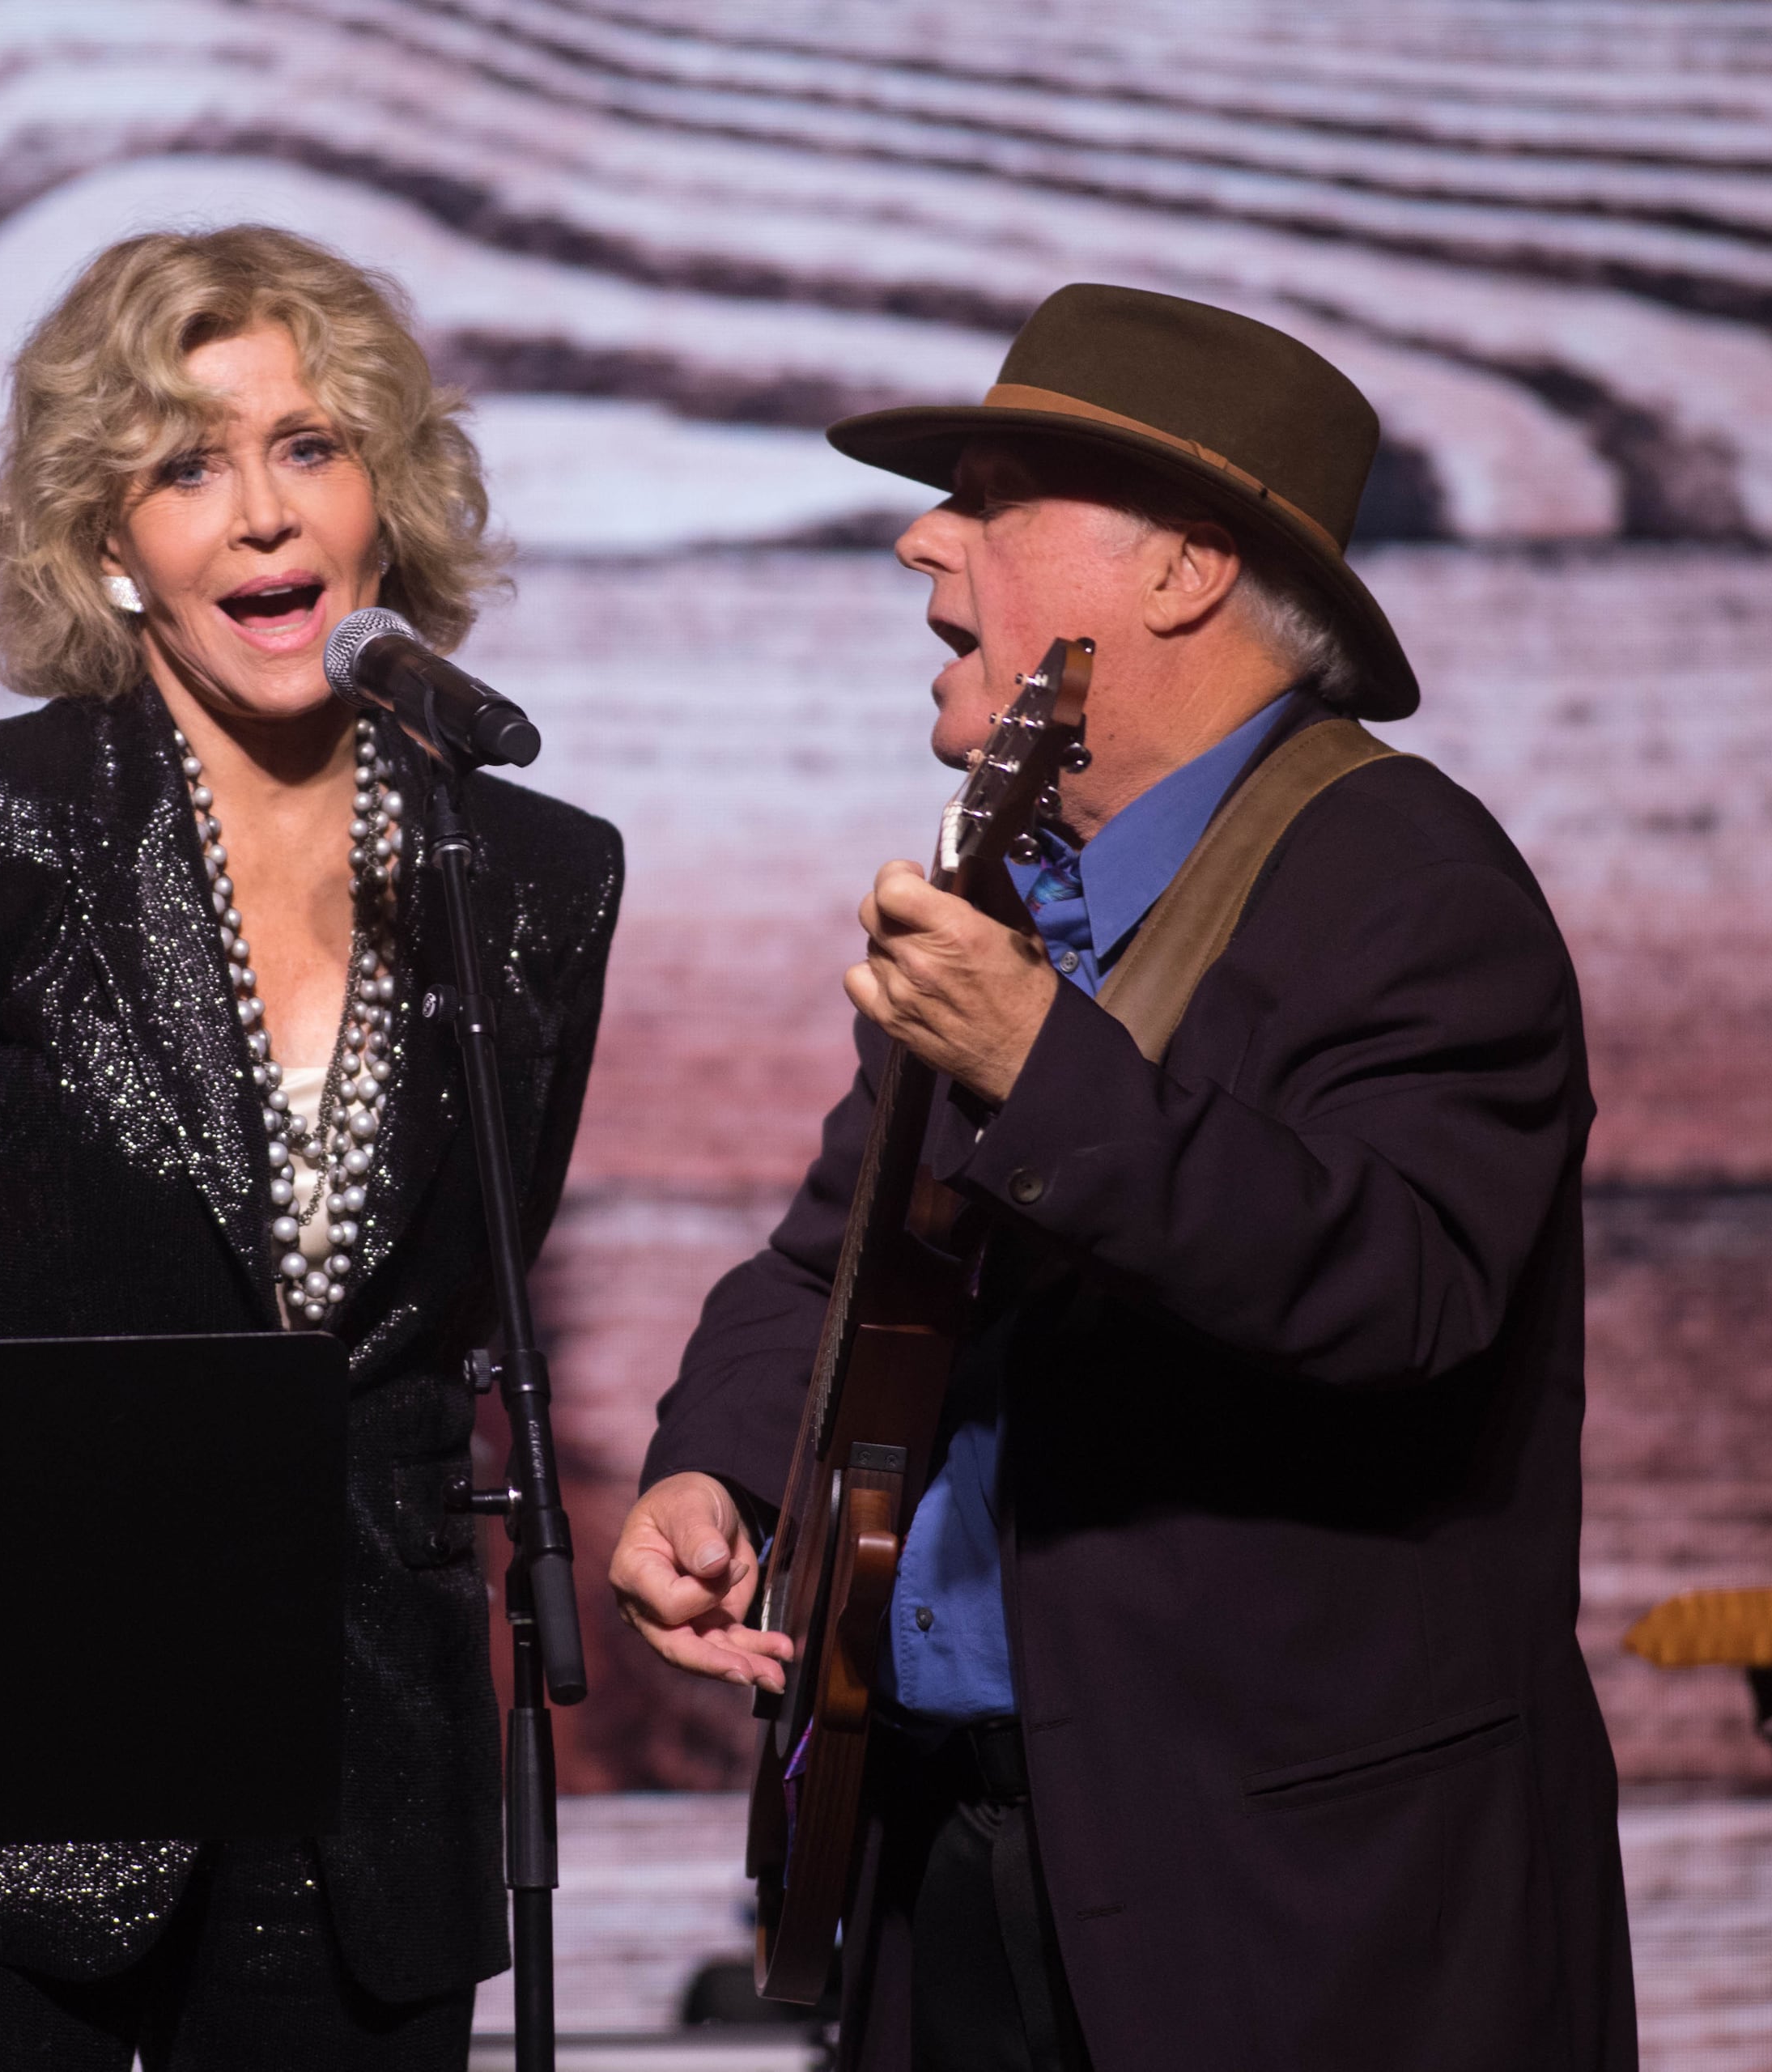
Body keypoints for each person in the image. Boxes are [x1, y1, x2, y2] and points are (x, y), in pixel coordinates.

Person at [610, 285, 1634, 2071]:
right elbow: (824, 1265)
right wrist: (711, 1467)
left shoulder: (1408, 884)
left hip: (1294, 1907)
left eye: (995, 494)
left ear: (1184, 569)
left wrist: (1037, 1061)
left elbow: (1398, 1287)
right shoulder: (1022, 897)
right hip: (961, 1861)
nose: (928, 534)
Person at [0, 224, 621, 2069]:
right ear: (103, 547)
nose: (260, 515)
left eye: (309, 446)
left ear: (387, 495)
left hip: (366, 1790)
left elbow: (456, 1320)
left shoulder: (537, 877)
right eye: (185, 466)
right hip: (1, 1792)